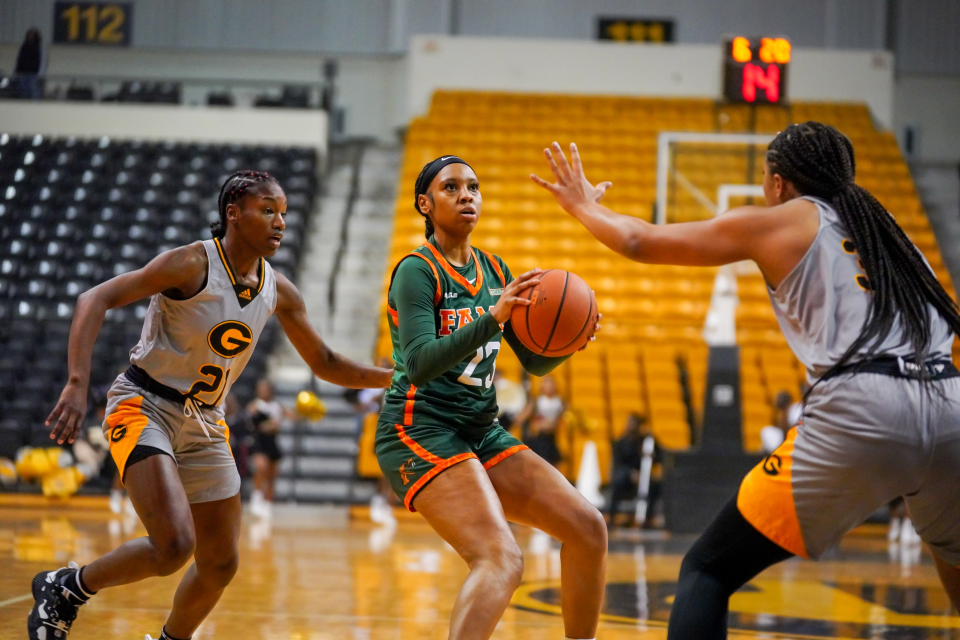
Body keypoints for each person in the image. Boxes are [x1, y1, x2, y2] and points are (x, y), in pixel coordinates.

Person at [533, 124, 960, 639]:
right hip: (949, 401)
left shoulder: (785, 221)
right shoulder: (890, 232)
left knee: (707, 569)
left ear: (778, 183)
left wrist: (582, 205)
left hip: (866, 402)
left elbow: (639, 240)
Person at [29, 170, 393, 640]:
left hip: (206, 419)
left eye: (284, 213)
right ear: (233, 214)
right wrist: (77, 382)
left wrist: (398, 376)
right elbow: (94, 298)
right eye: (268, 211)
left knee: (220, 563)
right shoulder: (190, 264)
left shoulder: (278, 289)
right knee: (174, 545)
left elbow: (325, 361)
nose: (280, 222)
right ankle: (68, 587)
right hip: (145, 403)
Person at [377, 156, 607, 640]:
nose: (467, 195)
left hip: (480, 430)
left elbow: (534, 360)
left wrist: (572, 337)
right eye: (452, 187)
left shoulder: (495, 269)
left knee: (588, 529)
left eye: (474, 187)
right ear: (425, 203)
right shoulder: (416, 272)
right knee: (501, 557)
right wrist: (492, 318)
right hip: (420, 427)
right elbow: (418, 363)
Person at [248, 378, 294, 519]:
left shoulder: (277, 405)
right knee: (261, 467)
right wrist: (271, 425)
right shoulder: (255, 405)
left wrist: (304, 410)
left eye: (266, 389)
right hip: (260, 442)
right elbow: (255, 424)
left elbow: (291, 416)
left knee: (272, 475)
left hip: (272, 442)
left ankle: (268, 504)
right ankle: (256, 497)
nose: (263, 392)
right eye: (261, 390)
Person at [606, 414, 661, 527]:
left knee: (656, 486)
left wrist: (653, 456)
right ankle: (612, 517)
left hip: (644, 477)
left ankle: (647, 519)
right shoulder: (620, 443)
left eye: (633, 423)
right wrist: (631, 474)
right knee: (617, 483)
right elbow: (618, 465)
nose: (630, 426)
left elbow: (661, 456)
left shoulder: (647, 441)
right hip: (627, 477)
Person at [515, 374, 564, 466]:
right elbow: (522, 417)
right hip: (537, 437)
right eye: (546, 383)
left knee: (552, 462)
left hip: (550, 437)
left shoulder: (559, 402)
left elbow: (561, 420)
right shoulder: (537, 400)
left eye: (551, 383)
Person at [14, 28, 45, 100]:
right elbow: (20, 59)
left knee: (33, 90)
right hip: (23, 72)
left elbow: (42, 61)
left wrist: (40, 73)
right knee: (22, 91)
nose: (30, 37)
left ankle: (34, 106)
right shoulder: (24, 47)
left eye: (32, 35)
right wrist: (17, 70)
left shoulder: (39, 48)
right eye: (29, 35)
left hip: (33, 73)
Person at [758, 390, 792, 454]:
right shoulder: (769, 432)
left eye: (784, 411)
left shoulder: (796, 431)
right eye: (779, 411)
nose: (781, 416)